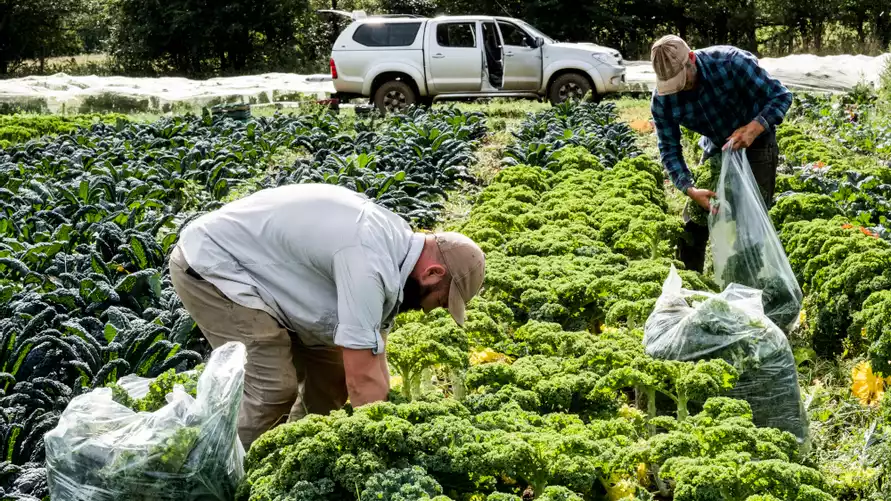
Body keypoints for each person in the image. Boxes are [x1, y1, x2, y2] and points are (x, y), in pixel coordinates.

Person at [169, 184, 486, 448]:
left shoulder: (396, 249)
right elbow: (363, 377)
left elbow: (372, 355)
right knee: (273, 388)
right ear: (433, 273)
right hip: (216, 266)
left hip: (270, 278)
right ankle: (223, 476)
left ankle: (297, 452)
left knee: (332, 375)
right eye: (442, 301)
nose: (432, 310)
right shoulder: (370, 260)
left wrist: (388, 415)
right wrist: (388, 451)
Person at [650, 35, 793, 272]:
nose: (676, 89)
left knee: (751, 221)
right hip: (717, 147)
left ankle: (750, 285)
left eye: (680, 81)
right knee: (693, 223)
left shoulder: (731, 63)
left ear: (691, 59)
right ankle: (688, 285)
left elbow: (781, 95)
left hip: (757, 141)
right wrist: (689, 188)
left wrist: (754, 128)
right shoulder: (663, 101)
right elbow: (668, 148)